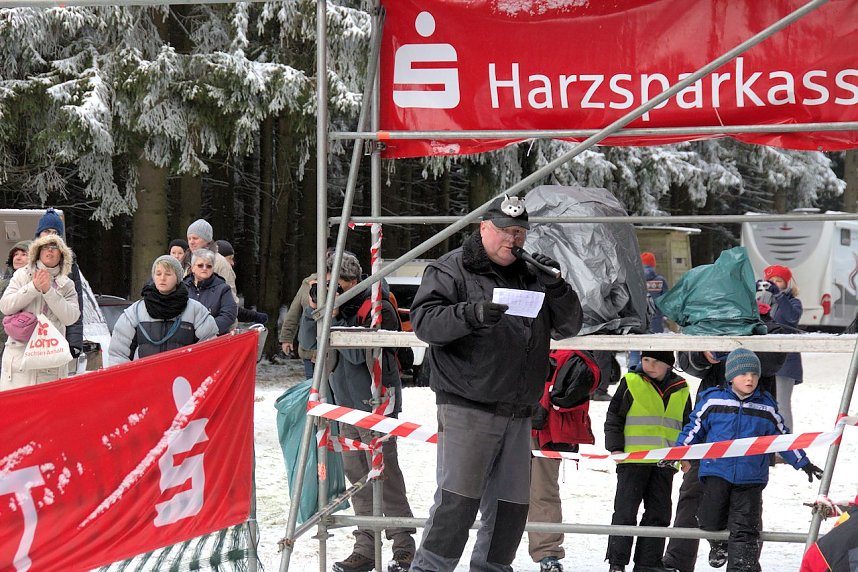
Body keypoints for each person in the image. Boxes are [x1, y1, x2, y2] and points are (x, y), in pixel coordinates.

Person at [408, 194, 584, 572]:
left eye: (520, 232)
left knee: (511, 508)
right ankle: (430, 568)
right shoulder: (451, 269)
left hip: (520, 410)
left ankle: (492, 567)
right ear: (483, 228)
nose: (513, 239)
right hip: (467, 405)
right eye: (504, 230)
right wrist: (469, 314)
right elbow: (425, 323)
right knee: (458, 501)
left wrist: (556, 288)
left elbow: (569, 326)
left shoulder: (532, 274)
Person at [306, 252, 415, 572]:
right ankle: (365, 545)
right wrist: (316, 313)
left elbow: (356, 356)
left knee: (385, 473)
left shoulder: (376, 306)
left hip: (375, 402)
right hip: (341, 402)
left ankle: (403, 544)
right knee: (356, 476)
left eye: (337, 285)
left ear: (354, 283)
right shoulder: (330, 307)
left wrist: (334, 318)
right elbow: (307, 345)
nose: (331, 291)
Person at [676, 348, 823, 572]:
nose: (750, 379)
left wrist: (803, 463)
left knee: (745, 528)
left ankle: (742, 567)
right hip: (716, 471)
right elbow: (693, 428)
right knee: (709, 518)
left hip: (750, 478)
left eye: (754, 375)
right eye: (744, 374)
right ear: (730, 376)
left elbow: (782, 438)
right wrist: (678, 452)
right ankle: (718, 544)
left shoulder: (765, 406)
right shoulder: (713, 400)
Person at [604, 350, 690, 572]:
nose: (649, 365)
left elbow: (688, 426)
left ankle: (648, 564)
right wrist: (615, 447)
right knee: (625, 512)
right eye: (645, 360)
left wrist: (686, 456)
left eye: (655, 361)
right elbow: (614, 416)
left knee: (659, 514)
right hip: (633, 460)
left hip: (665, 463)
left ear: (668, 365)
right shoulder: (631, 382)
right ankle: (617, 562)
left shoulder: (681, 388)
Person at [529, 349, 601, 572]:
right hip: (509, 421)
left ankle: (547, 554)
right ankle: (493, 552)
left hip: (543, 432)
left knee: (542, 493)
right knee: (498, 492)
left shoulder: (569, 350)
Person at [0, 235, 80, 390]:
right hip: (18, 361)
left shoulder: (67, 284)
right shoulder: (22, 275)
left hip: (51, 363)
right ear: (37, 252)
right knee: (17, 411)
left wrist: (49, 292)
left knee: (49, 412)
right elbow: (5, 306)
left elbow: (71, 317)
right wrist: (33, 288)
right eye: (45, 247)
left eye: (54, 247)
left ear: (62, 255)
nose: (50, 250)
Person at [109, 255, 218, 364]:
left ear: (178, 278)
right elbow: (118, 354)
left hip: (182, 379)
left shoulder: (196, 311)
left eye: (168, 274)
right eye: (158, 274)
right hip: (145, 379)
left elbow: (210, 351)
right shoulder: (135, 312)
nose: (162, 278)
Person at [34, 208, 85, 366]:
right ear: (39, 235)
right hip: (29, 336)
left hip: (57, 335)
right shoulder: (26, 258)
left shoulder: (69, 264)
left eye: (55, 232)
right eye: (47, 231)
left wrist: (74, 342)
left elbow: (76, 306)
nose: (51, 235)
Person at [760, 265, 803, 432]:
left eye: (779, 281)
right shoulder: (762, 300)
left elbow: (791, 318)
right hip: (765, 358)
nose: (775, 284)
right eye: (771, 281)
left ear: (787, 283)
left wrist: (779, 296)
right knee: (764, 403)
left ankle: (785, 445)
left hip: (786, 360)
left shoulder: (793, 302)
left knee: (782, 404)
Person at [628, 252, 670, 371]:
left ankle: (631, 380)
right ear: (653, 265)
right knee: (652, 355)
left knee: (635, 354)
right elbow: (666, 302)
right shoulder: (660, 281)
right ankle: (649, 381)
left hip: (636, 323)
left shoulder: (633, 281)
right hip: (655, 323)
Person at [183, 249, 237, 335]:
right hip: (184, 337)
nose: (204, 268)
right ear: (192, 268)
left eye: (209, 266)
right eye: (200, 265)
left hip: (212, 339)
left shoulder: (223, 289)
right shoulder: (181, 287)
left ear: (213, 269)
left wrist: (206, 330)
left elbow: (228, 315)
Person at [213, 238, 267, 325]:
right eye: (229, 258)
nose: (232, 263)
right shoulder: (223, 271)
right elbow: (230, 308)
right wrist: (254, 316)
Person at [185, 219, 238, 301]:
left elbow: (231, 299)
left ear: (207, 240)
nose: (191, 242)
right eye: (189, 238)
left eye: (195, 238)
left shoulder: (220, 262)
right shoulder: (187, 260)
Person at [280, 272, 317, 379]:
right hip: (310, 348)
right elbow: (294, 311)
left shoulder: (345, 283)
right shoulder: (308, 283)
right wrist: (286, 337)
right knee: (311, 387)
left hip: (336, 350)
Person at [0, 240, 32, 350]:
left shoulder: (36, 283)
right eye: (15, 254)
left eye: (24, 254)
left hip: (24, 340)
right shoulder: (4, 283)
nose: (18, 258)